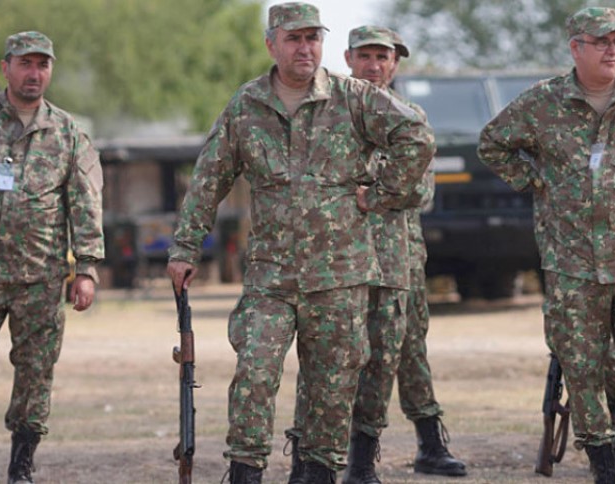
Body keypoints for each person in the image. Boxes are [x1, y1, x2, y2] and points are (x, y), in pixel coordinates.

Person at [166, 3, 435, 483]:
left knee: (330, 390)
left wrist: (382, 195)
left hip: (341, 277)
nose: (305, 47)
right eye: (294, 38)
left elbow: (416, 137)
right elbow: (208, 179)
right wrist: (185, 248)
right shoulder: (246, 106)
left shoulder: (353, 98)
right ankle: (244, 471)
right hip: (271, 276)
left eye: (313, 37)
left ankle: (316, 474)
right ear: (272, 45)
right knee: (254, 373)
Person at [477, 7, 615, 484]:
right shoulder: (543, 103)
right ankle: (603, 469)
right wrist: (538, 180)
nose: (614, 49)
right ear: (576, 47)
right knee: (583, 371)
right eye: (602, 41)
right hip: (571, 264)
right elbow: (492, 143)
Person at [284, 26, 464, 484]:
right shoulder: (327, 110)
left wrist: (372, 191)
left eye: (383, 56)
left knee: (395, 354)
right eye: (365, 56)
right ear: (348, 58)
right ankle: (307, 458)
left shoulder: (410, 117)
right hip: (336, 259)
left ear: (396, 63)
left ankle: (368, 461)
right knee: (327, 358)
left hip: (396, 260)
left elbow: (420, 190)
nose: (374, 65)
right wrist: (368, 187)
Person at [0, 31, 104, 483]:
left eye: (43, 64)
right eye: (26, 63)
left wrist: (87, 268)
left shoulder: (67, 132)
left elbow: (85, 200)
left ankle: (22, 464)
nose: (34, 73)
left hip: (40, 276)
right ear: (6, 68)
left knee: (36, 373)